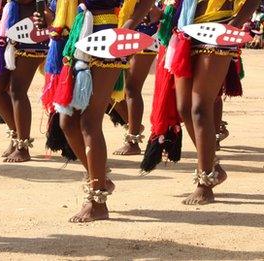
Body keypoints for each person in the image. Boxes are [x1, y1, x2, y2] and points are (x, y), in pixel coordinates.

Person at [44, 0, 155, 222]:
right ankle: (101, 178)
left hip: (107, 35)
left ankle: (98, 202)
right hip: (76, 33)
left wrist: (129, 25)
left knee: (89, 121)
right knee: (67, 121)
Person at [149, 0, 260, 205]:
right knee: (184, 108)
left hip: (219, 25)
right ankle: (212, 166)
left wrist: (234, 25)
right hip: (183, 27)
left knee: (200, 108)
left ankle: (205, 182)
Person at [0, 0, 54, 162]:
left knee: (17, 90)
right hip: (9, 34)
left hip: (32, 34)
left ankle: (23, 147)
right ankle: (16, 136)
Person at [113, 4, 162, 155]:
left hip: (144, 33)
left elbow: (152, 7)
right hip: (122, 30)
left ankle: (133, 141)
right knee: (112, 89)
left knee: (131, 87)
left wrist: (149, 10)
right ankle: (133, 125)